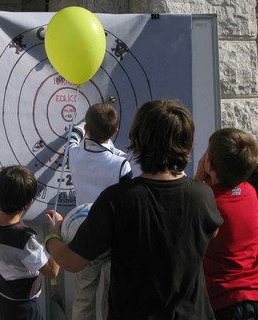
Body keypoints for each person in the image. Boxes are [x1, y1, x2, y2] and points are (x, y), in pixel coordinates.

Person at [44, 99, 223, 320]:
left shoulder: (116, 200)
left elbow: (72, 262)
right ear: (187, 143)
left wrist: (52, 235)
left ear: (136, 140)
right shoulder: (202, 195)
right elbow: (212, 231)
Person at [67, 102, 133, 320]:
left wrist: (82, 124)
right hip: (114, 240)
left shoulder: (74, 155)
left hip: (85, 234)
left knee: (84, 297)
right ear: (115, 131)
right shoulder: (122, 164)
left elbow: (73, 137)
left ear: (87, 129)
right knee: (111, 298)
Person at [0, 165, 60, 320]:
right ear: (28, 203)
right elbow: (52, 271)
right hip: (24, 308)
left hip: (0, 299)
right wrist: (56, 235)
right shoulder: (26, 240)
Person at [194, 127, 258, 320]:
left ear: (210, 165)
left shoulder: (204, 199)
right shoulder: (250, 193)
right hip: (252, 296)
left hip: (222, 302)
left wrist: (198, 178)